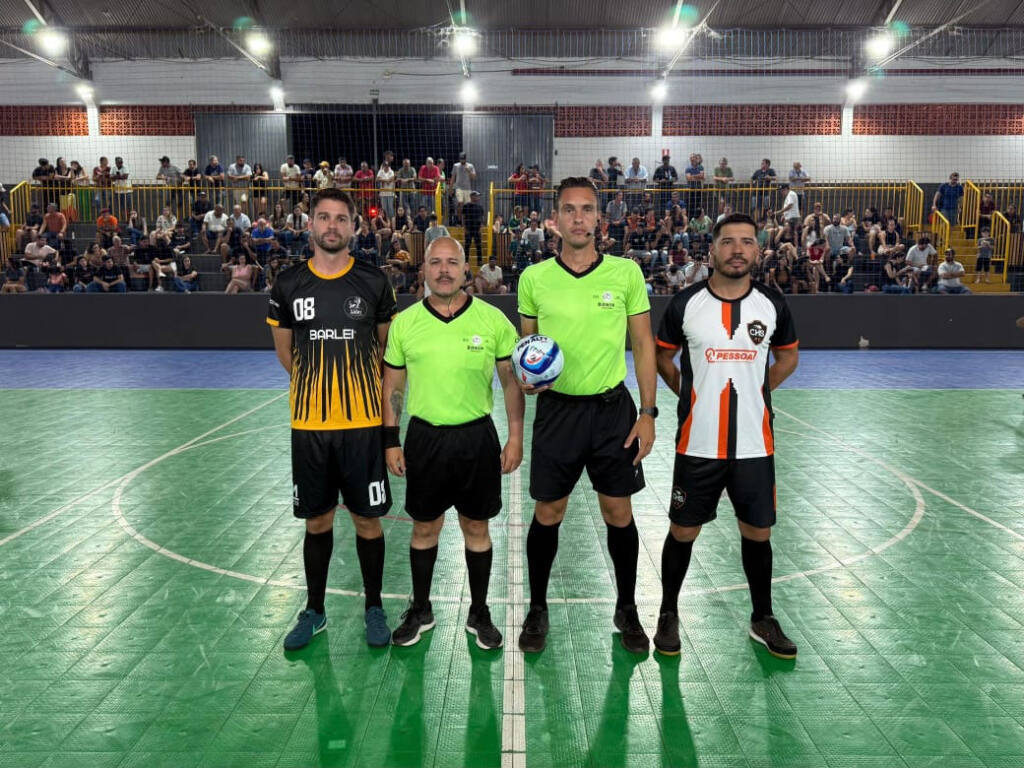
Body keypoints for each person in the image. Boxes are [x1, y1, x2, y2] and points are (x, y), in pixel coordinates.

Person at [516, 177, 657, 654]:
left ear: (601, 218)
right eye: (569, 210)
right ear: (554, 220)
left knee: (618, 510)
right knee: (548, 510)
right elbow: (527, 348)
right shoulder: (534, 279)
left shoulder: (626, 274)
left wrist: (649, 413)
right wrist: (526, 377)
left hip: (612, 411)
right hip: (557, 413)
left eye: (587, 210)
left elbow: (642, 345)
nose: (579, 218)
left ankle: (627, 607)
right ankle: (537, 607)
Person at [653, 212, 800, 659]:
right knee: (683, 530)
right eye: (729, 241)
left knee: (758, 532)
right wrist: (689, 393)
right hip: (697, 443)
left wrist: (760, 389)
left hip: (755, 447)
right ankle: (668, 612)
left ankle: (762, 617)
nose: (738, 249)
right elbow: (663, 359)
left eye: (747, 242)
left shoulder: (773, 305)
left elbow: (788, 359)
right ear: (712, 249)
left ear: (757, 250)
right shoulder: (685, 304)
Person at [267, 188, 398, 650]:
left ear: (354, 228)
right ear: (310, 225)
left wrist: (386, 425)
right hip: (310, 428)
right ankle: (316, 610)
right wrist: (318, 386)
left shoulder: (374, 282)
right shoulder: (286, 284)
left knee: (368, 521)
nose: (332, 226)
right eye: (324, 218)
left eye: (341, 219)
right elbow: (287, 354)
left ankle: (374, 607)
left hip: (362, 427)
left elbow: (389, 357)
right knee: (317, 522)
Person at [381, 236, 525, 649]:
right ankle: (421, 608)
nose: (444, 270)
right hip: (424, 438)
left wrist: (515, 437)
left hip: (476, 437)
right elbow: (393, 386)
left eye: (452, 262)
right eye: (435, 263)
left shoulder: (494, 321)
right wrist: (391, 441)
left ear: (466, 270)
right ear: (423, 269)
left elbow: (511, 383)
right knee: (424, 527)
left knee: (476, 527)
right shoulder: (405, 323)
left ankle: (479, 611)